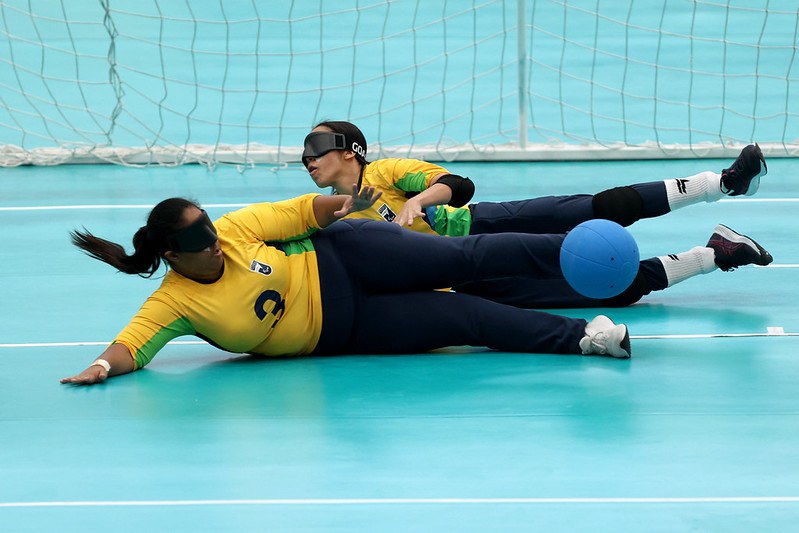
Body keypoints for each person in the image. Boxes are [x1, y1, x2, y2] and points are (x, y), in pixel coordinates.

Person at [61, 189, 635, 386]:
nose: (214, 242)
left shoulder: (234, 232)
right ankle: (588, 338)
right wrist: (102, 366)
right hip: (346, 329)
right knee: (465, 319)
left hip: (349, 256)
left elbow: (297, 212)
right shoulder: (175, 303)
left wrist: (341, 204)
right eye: (198, 239)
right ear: (170, 255)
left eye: (209, 227)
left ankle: (576, 247)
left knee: (461, 259)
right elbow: (134, 344)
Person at [300, 120, 773, 308]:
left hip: (484, 225)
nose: (308, 158)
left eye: (317, 145)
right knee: (605, 287)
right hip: (465, 282)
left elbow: (459, 186)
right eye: (304, 153)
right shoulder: (326, 214)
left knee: (604, 208)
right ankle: (714, 255)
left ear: (351, 150)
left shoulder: (386, 172)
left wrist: (419, 201)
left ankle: (723, 184)